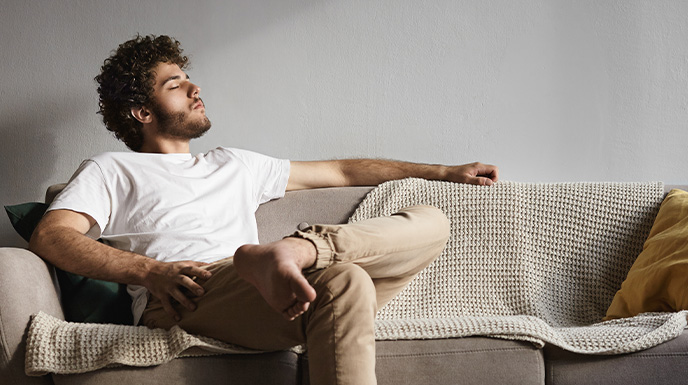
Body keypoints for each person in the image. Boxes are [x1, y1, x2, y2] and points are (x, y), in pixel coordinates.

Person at [28, 34, 498, 385]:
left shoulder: (234, 164)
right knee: (344, 278)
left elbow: (342, 172)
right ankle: (290, 256)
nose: (194, 89)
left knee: (432, 222)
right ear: (142, 112)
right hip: (193, 292)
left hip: (263, 281)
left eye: (191, 80)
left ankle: (298, 253)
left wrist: (444, 171)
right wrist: (151, 272)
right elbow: (51, 236)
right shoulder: (113, 170)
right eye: (176, 84)